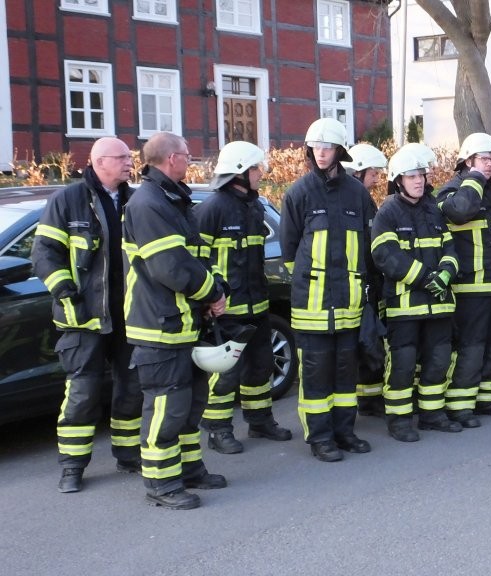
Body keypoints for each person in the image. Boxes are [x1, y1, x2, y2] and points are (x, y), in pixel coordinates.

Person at [122, 132, 228, 509]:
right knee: (166, 409)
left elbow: (194, 257)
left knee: (189, 404)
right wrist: (212, 293)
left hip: (183, 322)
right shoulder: (149, 204)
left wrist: (216, 285)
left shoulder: (171, 199)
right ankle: (162, 483)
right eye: (187, 155)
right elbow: (171, 267)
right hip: (159, 326)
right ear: (170, 159)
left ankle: (189, 469)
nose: (191, 160)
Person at [32, 137, 141, 493]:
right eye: (123, 157)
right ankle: (72, 466)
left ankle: (129, 455)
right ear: (99, 161)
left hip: (129, 316)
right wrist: (65, 292)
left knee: (132, 389)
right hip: (84, 319)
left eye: (130, 157)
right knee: (82, 394)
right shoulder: (67, 200)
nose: (129, 162)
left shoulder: (134, 199)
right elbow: (44, 253)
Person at [280, 118, 377, 462]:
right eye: (315, 147)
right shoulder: (298, 193)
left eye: (327, 147)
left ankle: (344, 431)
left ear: (339, 151)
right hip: (313, 306)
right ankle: (320, 437)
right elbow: (289, 251)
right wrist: (309, 286)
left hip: (349, 303)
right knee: (317, 374)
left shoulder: (357, 193)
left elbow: (368, 244)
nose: (321, 154)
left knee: (345, 372)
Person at [194, 141, 292, 454]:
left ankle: (260, 420)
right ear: (240, 171)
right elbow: (198, 259)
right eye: (255, 168)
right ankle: (218, 429)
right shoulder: (212, 209)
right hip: (227, 310)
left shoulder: (255, 206)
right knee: (227, 374)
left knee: (260, 366)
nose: (260, 174)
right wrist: (209, 299)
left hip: (257, 305)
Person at [435, 132, 491, 427]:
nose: (489, 165)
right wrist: (474, 178)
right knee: (471, 347)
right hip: (471, 287)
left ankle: (486, 398)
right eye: (484, 159)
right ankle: (460, 405)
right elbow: (460, 212)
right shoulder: (453, 189)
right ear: (468, 160)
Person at [371, 149, 463, 442]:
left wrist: (447, 273)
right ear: (398, 180)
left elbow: (450, 248)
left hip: (438, 305)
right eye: (412, 176)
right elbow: (385, 255)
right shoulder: (387, 213)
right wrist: (427, 278)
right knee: (403, 364)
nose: (419, 181)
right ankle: (398, 421)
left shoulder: (434, 210)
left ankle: (432, 414)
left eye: (421, 175)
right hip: (405, 307)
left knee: (438, 360)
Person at [342, 142, 390, 419]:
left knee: (371, 341)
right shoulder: (355, 199)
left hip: (370, 282)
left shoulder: (363, 199)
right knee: (362, 342)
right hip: (359, 284)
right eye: (373, 173)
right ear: (359, 172)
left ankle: (370, 399)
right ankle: (365, 400)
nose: (377, 179)